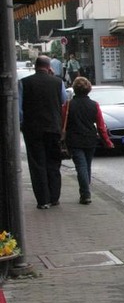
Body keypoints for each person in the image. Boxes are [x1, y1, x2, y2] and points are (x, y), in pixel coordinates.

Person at [19, 55, 67, 209]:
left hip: (33, 130)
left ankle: (42, 200)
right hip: (53, 128)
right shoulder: (58, 82)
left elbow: (19, 109)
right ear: (49, 67)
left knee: (37, 164)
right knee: (53, 162)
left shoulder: (24, 83)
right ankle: (54, 197)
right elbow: (63, 100)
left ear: (35, 66)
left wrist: (23, 123)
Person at [63, 77, 114, 205]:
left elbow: (62, 122)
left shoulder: (68, 105)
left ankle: (85, 194)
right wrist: (107, 142)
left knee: (81, 166)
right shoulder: (94, 105)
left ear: (74, 89)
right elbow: (101, 126)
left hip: (74, 140)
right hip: (90, 139)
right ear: (88, 89)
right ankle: (86, 191)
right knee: (87, 165)